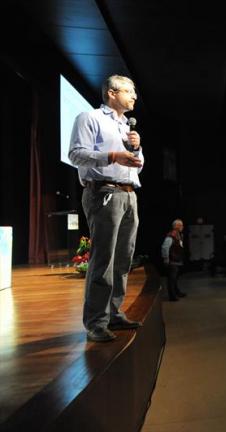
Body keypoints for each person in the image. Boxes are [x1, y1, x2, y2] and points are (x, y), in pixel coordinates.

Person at [69, 74, 143, 342]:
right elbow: (76, 154)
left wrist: (136, 150)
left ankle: (113, 313)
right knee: (103, 260)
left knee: (123, 259)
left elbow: (137, 164)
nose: (134, 96)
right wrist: (113, 155)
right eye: (129, 90)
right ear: (112, 93)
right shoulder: (90, 118)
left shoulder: (128, 128)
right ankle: (95, 322)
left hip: (128, 194)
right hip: (104, 193)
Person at [161, 219, 186, 301]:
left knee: (175, 279)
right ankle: (172, 296)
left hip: (176, 261)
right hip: (172, 261)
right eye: (181, 225)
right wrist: (166, 259)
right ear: (176, 226)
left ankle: (177, 292)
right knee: (171, 279)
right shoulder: (171, 235)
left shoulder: (178, 235)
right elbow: (165, 247)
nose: (182, 227)